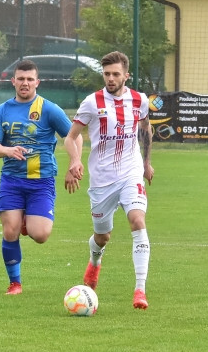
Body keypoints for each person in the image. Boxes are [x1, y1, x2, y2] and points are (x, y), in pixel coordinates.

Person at [64, 50, 154, 310]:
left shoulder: (139, 100)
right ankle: (95, 260)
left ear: (126, 75)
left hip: (131, 173)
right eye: (107, 74)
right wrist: (75, 160)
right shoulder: (92, 102)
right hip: (102, 179)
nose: (111, 78)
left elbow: (146, 128)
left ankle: (140, 290)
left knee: (137, 220)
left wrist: (146, 163)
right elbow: (71, 137)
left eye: (116, 74)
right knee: (103, 236)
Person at [0, 58, 74, 295]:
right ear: (13, 81)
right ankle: (15, 283)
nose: (25, 83)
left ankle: (28, 221)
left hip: (41, 181)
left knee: (41, 234)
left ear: (37, 82)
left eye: (29, 79)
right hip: (11, 181)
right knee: (10, 230)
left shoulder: (49, 109)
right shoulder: (2, 110)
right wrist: (7, 150)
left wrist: (74, 162)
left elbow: (73, 135)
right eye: (21, 79)